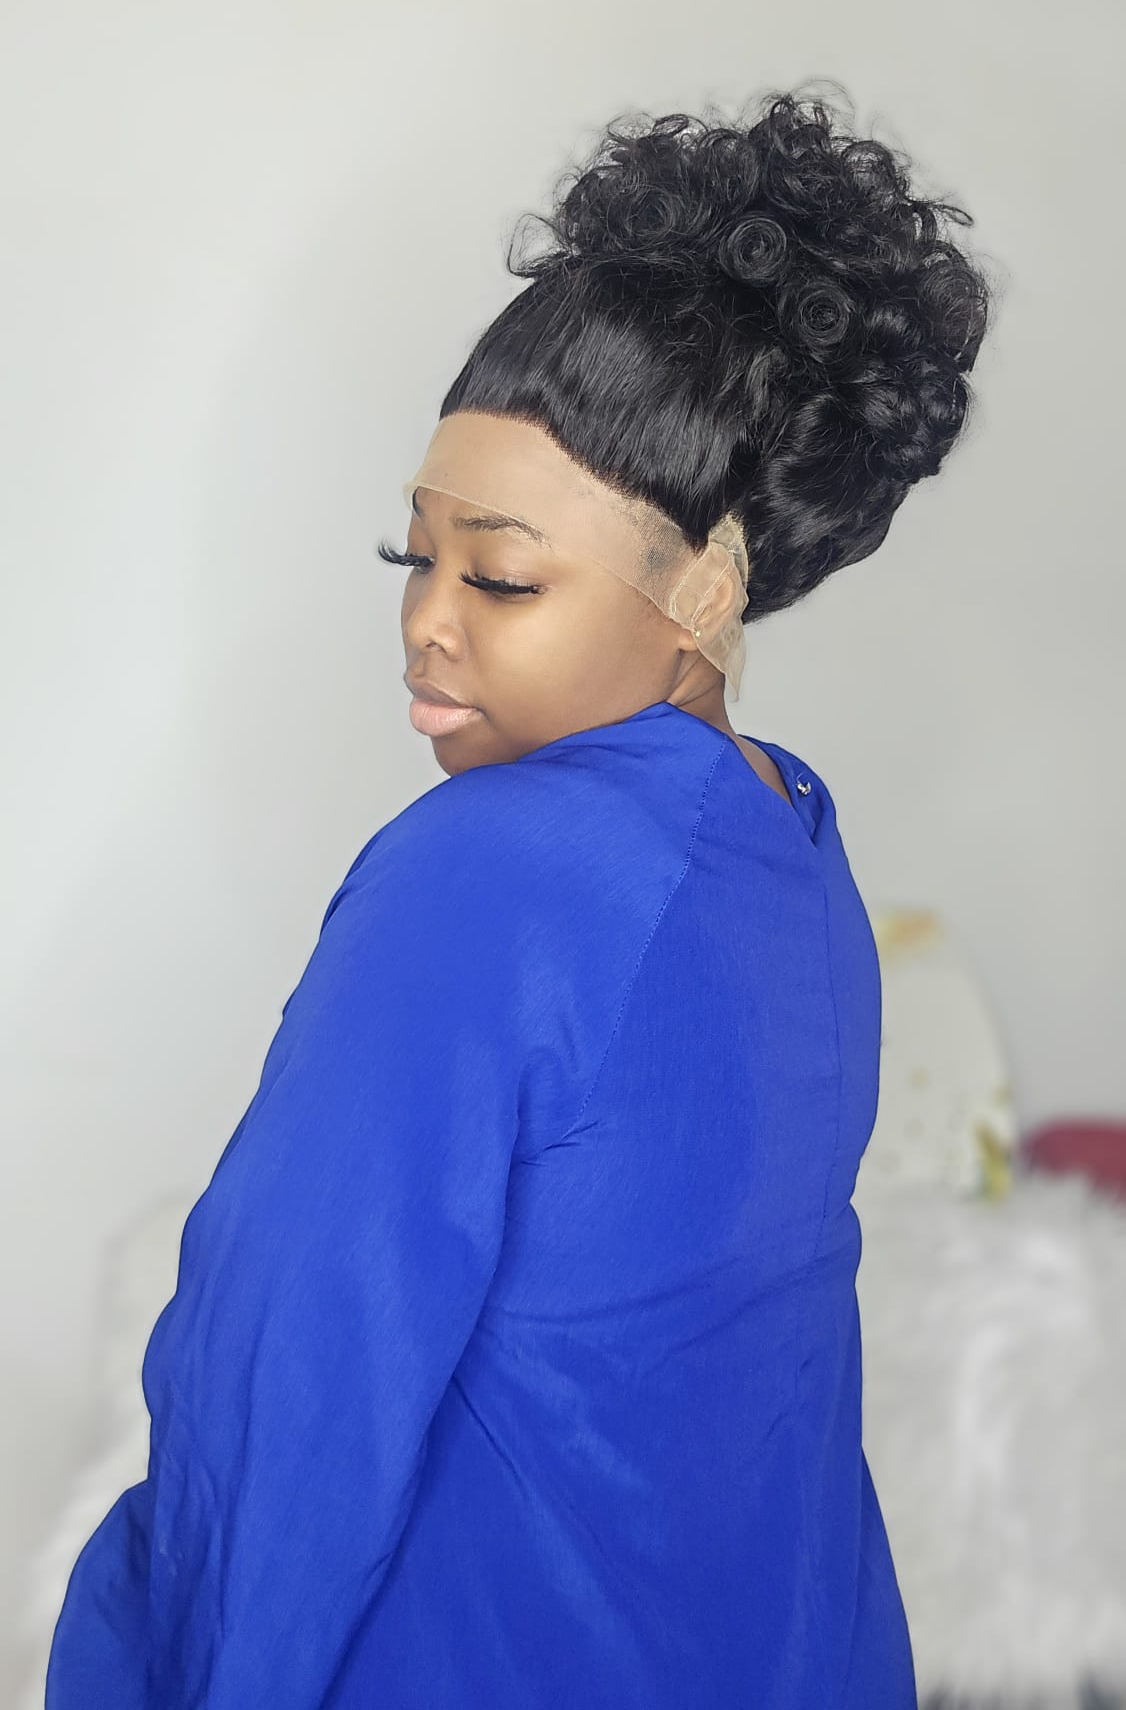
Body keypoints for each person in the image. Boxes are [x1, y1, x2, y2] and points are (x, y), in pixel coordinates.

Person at [45, 87, 992, 1707]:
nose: (428, 620)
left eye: (498, 573)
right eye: (410, 557)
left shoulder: (487, 869)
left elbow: (294, 1370)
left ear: (706, 588)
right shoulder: (796, 851)